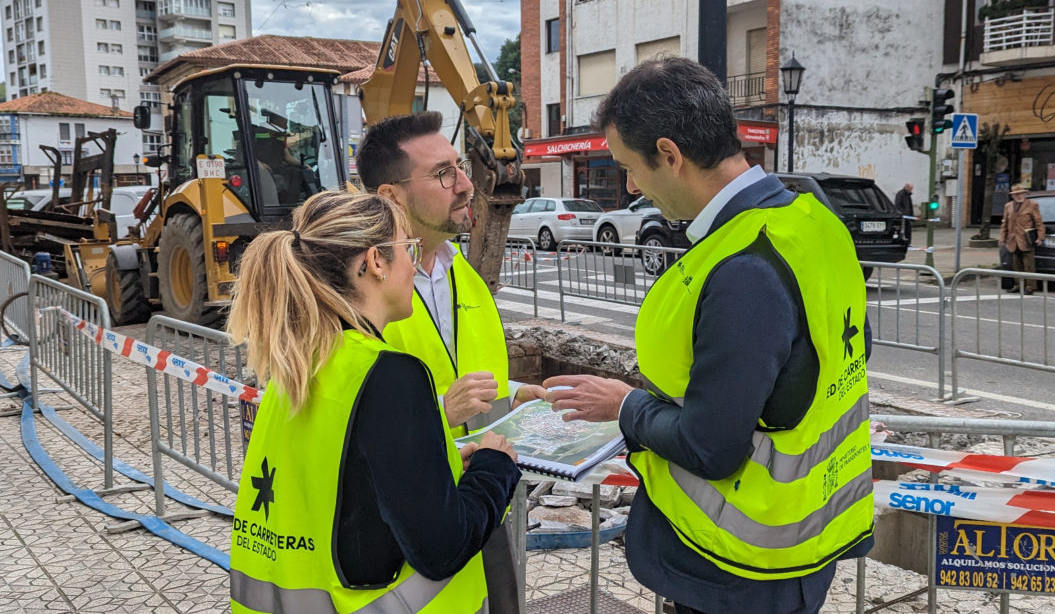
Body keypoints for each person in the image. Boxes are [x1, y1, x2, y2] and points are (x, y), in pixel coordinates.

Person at [544, 57, 875, 614]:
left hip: (738, 567)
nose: (631, 186)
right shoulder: (815, 223)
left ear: (670, 156)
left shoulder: (743, 267)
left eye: (631, 167)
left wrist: (627, 407)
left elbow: (709, 447)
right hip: (807, 543)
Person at [227, 191, 520, 613]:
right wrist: (496, 466)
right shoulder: (388, 375)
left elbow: (349, 491)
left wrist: (447, 465)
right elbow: (442, 549)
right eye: (409, 248)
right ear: (375, 262)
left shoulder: (297, 364)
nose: (415, 265)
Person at [357, 111, 543, 613]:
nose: (465, 185)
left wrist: (515, 391)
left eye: (459, 166)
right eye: (443, 173)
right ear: (390, 197)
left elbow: (466, 371)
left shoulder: (464, 274)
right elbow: (342, 409)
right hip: (406, 523)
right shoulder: (356, 294)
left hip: (481, 496)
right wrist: (442, 409)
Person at [999, 183, 1045, 295]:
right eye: (1016, 194)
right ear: (1012, 196)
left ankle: (1030, 286)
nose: (1019, 196)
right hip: (1012, 239)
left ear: (1024, 194)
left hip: (1026, 238)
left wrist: (1040, 237)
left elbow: (1039, 222)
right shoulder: (1008, 206)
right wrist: (1002, 238)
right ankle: (1018, 285)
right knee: (1015, 264)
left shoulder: (1032, 205)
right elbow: (1004, 223)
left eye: (1021, 194)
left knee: (1029, 264)